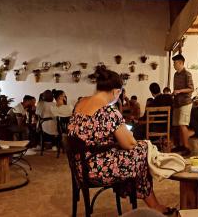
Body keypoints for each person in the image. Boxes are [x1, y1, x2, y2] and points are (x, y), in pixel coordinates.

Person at [68, 66, 176, 215]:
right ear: (115, 91)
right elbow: (129, 144)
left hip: (80, 166)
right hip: (96, 169)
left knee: (138, 151)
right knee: (143, 149)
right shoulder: (108, 111)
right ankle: (144, 197)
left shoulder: (80, 103)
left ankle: (135, 191)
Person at [172, 54, 194, 156]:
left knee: (182, 124)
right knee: (176, 125)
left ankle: (187, 147)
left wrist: (180, 91)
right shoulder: (176, 74)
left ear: (181, 63)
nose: (174, 65)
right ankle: (179, 145)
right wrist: (175, 93)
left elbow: (191, 88)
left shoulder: (187, 74)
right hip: (177, 102)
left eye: (175, 63)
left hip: (185, 102)